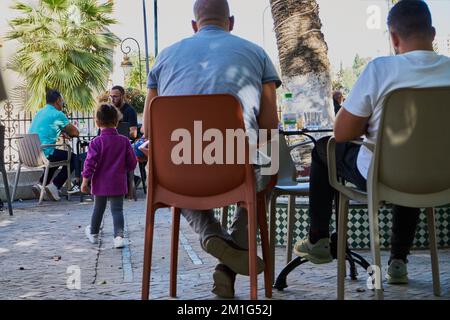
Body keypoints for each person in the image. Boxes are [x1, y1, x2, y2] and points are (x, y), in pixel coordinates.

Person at [293, 0, 450, 285]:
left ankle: (318, 238)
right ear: (433, 33)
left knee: (322, 149)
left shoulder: (380, 70)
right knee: (414, 156)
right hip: (440, 177)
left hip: (381, 175)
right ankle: (398, 262)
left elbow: (341, 134)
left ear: (393, 37)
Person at [142, 0, 281, 298]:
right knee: (270, 166)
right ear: (230, 22)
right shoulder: (257, 53)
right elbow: (270, 126)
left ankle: (211, 237)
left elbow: (149, 129)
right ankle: (228, 263)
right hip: (234, 169)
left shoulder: (164, 57)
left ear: (194, 25)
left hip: (177, 172)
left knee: (161, 164)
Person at [82, 104, 137, 249]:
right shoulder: (124, 141)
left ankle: (93, 233)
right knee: (117, 210)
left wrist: (85, 181)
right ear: (117, 121)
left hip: (100, 183)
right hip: (118, 182)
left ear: (97, 122)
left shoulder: (96, 142)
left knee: (98, 208)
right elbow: (132, 163)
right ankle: (118, 237)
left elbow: (89, 164)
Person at [29, 89, 79, 201]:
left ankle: (41, 185)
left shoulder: (40, 112)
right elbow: (75, 132)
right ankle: (55, 186)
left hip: (30, 153)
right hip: (44, 152)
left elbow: (48, 128)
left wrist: (61, 131)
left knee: (55, 157)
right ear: (58, 100)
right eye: (62, 101)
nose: (62, 103)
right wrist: (66, 132)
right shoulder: (58, 114)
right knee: (74, 158)